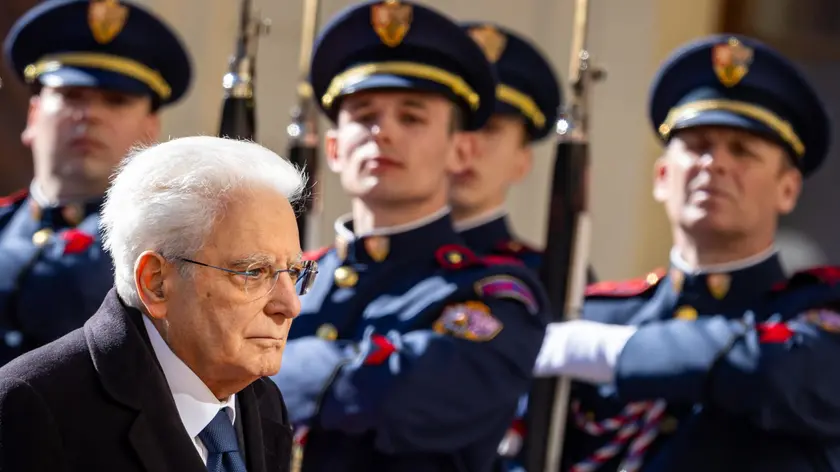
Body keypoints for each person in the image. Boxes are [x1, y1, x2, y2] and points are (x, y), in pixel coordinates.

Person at [532, 34, 840, 471]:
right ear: (661, 178)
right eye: (698, 146)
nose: (714, 164)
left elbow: (782, 374)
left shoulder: (814, 316)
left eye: (743, 150)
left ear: (788, 190)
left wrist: (621, 353)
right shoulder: (598, 314)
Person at [270, 1, 549, 471]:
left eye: (412, 118)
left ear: (461, 151)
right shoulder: (286, 275)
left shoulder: (494, 291)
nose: (383, 133)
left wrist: (278, 369)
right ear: (334, 149)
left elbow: (417, 395)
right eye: (364, 115)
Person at [0, 136, 314, 472]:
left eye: (295, 272)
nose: (290, 305)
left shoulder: (264, 402)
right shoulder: (33, 409)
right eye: (253, 272)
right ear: (156, 283)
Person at [0, 0, 192, 365]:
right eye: (71, 95)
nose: (90, 115)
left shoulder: (167, 245)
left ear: (151, 129)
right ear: (34, 115)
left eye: (116, 100)